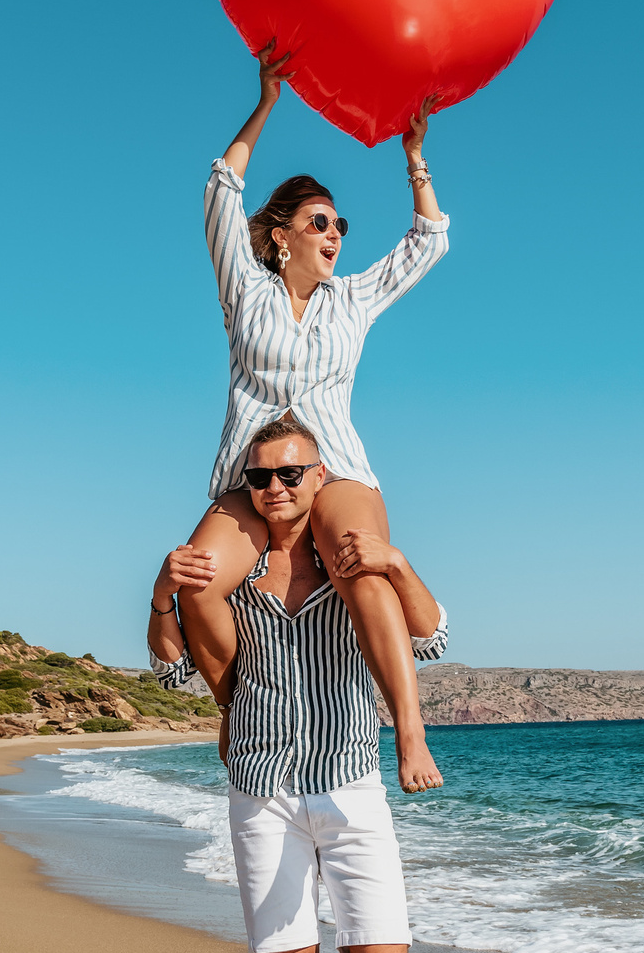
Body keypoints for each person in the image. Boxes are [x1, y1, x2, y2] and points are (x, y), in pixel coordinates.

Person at [148, 415, 451, 953]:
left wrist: (396, 560)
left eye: (291, 474)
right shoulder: (231, 577)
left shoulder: (351, 566)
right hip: (263, 790)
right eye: (261, 477)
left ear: (321, 478)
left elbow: (430, 638)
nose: (276, 488)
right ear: (246, 487)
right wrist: (161, 594)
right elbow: (172, 671)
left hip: (349, 784)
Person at [163, 41, 449, 771]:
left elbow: (427, 243)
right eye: (319, 223)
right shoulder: (246, 290)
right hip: (252, 475)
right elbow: (220, 190)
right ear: (282, 235)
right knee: (198, 579)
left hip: (334, 467)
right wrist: (266, 102)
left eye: (340, 226)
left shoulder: (352, 300)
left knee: (360, 565)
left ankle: (408, 732)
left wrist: (415, 158)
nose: (334, 235)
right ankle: (235, 708)